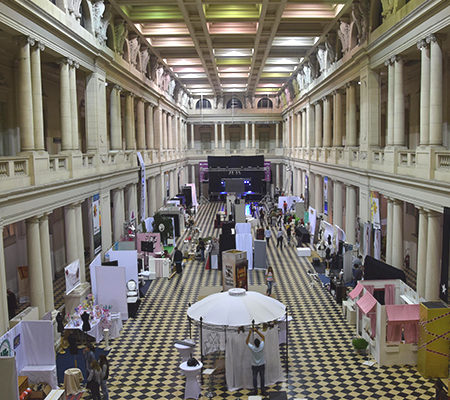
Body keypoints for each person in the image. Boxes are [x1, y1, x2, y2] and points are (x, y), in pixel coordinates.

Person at [246, 328, 266, 396]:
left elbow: (247, 342)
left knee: (254, 378)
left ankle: (255, 390)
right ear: (259, 343)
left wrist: (249, 333)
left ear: (254, 344)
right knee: (262, 378)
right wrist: (257, 331)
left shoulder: (253, 348)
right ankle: (263, 391)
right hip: (262, 364)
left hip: (254, 365)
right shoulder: (261, 346)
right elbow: (263, 337)